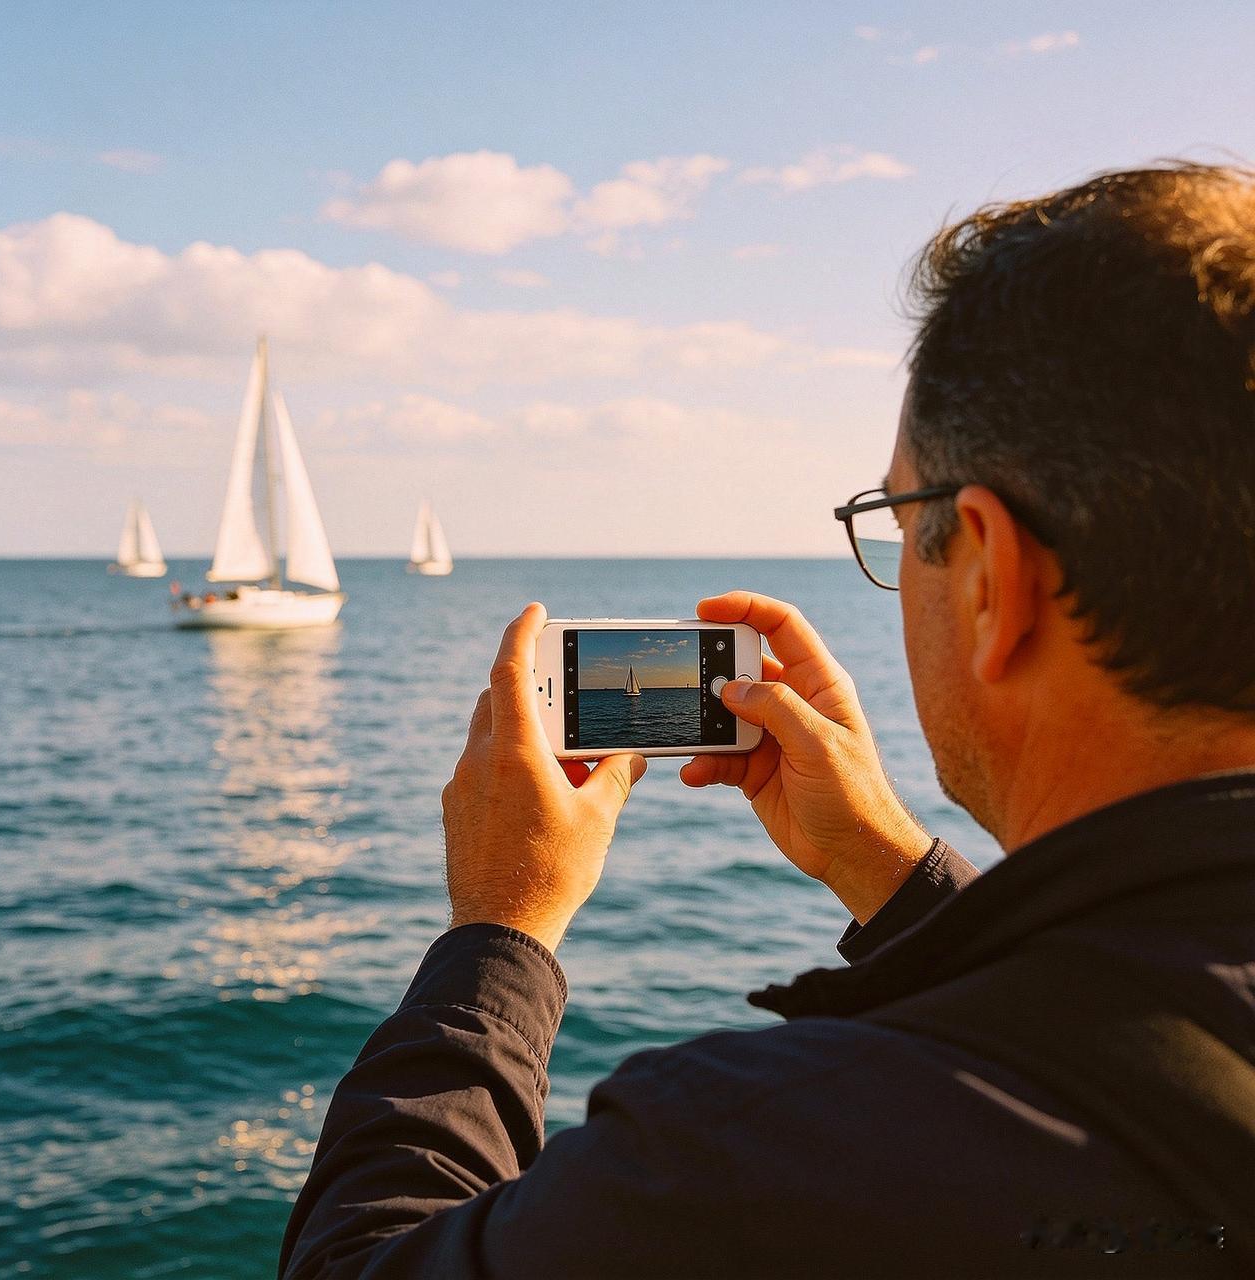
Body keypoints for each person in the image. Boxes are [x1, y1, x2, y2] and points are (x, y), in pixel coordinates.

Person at [279, 163, 1254, 1278]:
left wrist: (499, 929)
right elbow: (1116, 1006)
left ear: (989, 578)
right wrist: (888, 871)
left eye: (898, 519)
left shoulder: (769, 1155)